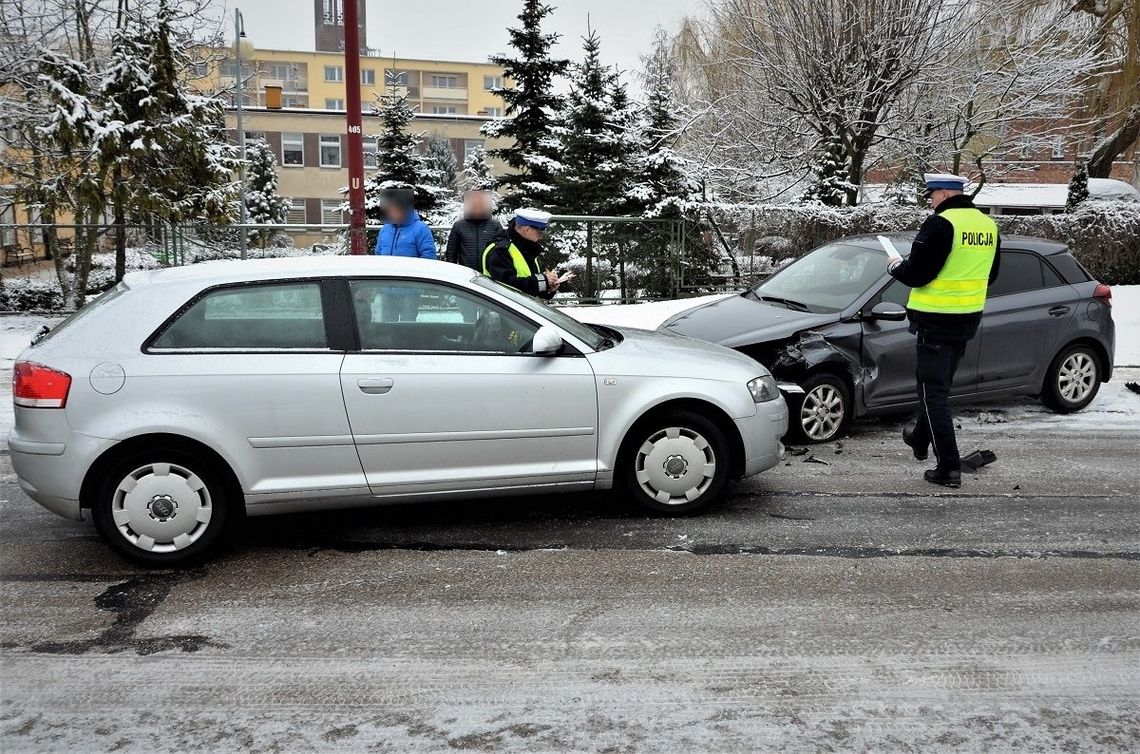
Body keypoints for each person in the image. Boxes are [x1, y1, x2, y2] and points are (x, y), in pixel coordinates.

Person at [887, 172, 1001, 488]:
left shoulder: (941, 223)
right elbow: (991, 275)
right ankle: (920, 437)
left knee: (932, 393)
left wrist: (895, 267)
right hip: (966, 319)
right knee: (937, 387)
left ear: (946, 195)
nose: (930, 200)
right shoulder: (987, 225)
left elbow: (918, 274)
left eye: (932, 194)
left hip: (935, 321)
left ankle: (948, 467)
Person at [374, 189, 437, 321]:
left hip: (410, 288)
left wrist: (420, 281)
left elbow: (428, 257)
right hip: (386, 288)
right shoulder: (385, 229)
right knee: (387, 324)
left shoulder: (420, 229)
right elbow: (378, 254)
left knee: (407, 326)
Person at [482, 208, 560, 300]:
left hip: (519, 309)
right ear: (527, 230)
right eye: (539, 233)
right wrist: (543, 280)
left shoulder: (527, 248)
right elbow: (505, 285)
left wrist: (548, 287)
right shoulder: (500, 249)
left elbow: (529, 286)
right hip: (501, 311)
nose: (541, 237)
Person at [445, 190, 507, 271]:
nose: (477, 208)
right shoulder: (459, 226)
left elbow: (502, 251)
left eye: (480, 205)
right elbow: (451, 253)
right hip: (466, 273)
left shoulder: (495, 225)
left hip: (490, 273)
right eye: (474, 205)